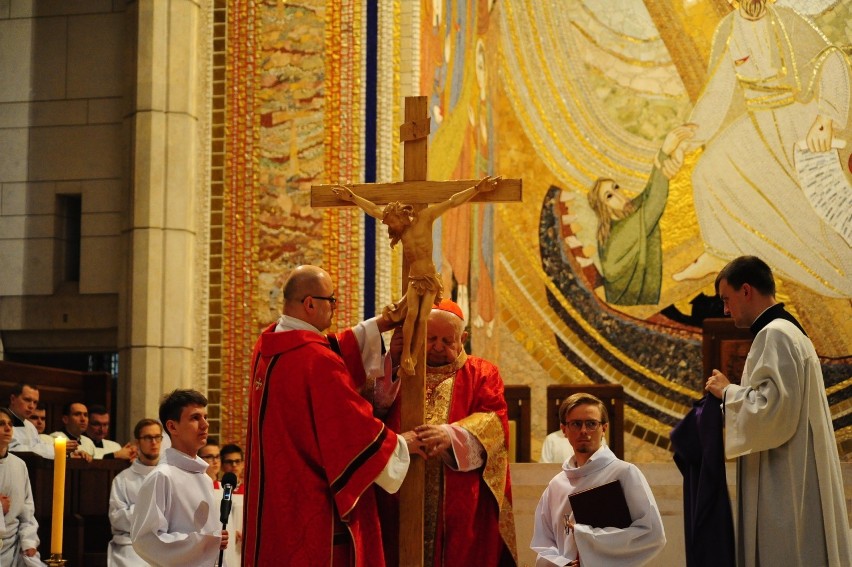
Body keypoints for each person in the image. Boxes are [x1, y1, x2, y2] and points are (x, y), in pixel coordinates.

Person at [242, 265, 422, 566]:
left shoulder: (267, 345)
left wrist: (384, 322)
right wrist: (399, 445)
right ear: (310, 304)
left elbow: (331, 348)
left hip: (275, 503)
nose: (335, 308)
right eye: (332, 300)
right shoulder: (316, 360)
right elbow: (349, 428)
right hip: (310, 504)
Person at [673, 0, 851, 297]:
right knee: (707, 172)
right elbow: (718, 92)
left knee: (815, 202)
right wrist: (691, 134)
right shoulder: (729, 29)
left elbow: (830, 59)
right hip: (758, 122)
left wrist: (827, 117)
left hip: (797, 116)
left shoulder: (785, 19)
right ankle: (718, 252)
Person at [704, 256, 851, 566]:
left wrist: (726, 392)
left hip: (784, 475)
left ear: (746, 290)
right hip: (794, 464)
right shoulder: (788, 332)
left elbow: (771, 409)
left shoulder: (775, 334)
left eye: (727, 300)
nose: (726, 310)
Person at [381, 299, 518, 566]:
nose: (438, 347)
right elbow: (372, 409)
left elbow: (494, 422)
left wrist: (452, 436)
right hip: (400, 493)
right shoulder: (404, 368)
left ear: (463, 337)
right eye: (431, 338)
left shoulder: (482, 373)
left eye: (447, 340)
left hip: (459, 498)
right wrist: (392, 364)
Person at [332, 176, 499, 375]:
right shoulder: (402, 231)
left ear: (400, 215)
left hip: (429, 279)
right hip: (414, 279)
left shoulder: (426, 217)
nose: (390, 226)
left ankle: (415, 355)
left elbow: (453, 201)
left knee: (422, 318)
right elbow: (374, 210)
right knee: (411, 315)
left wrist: (478, 188)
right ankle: (406, 357)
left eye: (392, 221)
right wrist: (351, 197)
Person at [531, 393, 665, 567]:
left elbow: (651, 535)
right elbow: (544, 543)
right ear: (564, 430)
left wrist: (584, 534)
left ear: (604, 428)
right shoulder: (556, 485)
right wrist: (561, 564)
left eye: (592, 423)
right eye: (576, 424)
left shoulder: (624, 473)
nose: (584, 431)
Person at [587, 125, 695, 305]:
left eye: (616, 188)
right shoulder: (616, 237)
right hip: (631, 306)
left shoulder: (625, 213)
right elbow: (653, 204)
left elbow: (647, 194)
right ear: (603, 209)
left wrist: (666, 159)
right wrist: (664, 152)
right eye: (609, 196)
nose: (619, 195)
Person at [131, 389, 228, 566]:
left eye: (205, 417)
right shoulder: (162, 476)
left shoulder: (204, 478)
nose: (205, 424)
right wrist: (207, 542)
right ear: (172, 427)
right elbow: (145, 540)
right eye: (195, 418)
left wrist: (215, 540)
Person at [108, 418, 163, 567]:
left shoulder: (171, 476)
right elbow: (116, 518)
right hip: (132, 544)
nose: (154, 442)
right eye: (148, 437)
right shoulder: (122, 479)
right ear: (137, 442)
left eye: (157, 437)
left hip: (166, 541)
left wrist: (140, 510)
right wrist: (152, 509)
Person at [0, 407, 43, 566]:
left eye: (10, 424)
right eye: (1, 423)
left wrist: (28, 542)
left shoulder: (19, 465)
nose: (7, 428)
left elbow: (27, 510)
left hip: (14, 546)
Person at [7, 383, 54, 460]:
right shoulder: (2, 421)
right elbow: (13, 450)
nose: (31, 406)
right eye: (27, 400)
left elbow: (39, 445)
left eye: (35, 402)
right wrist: (52, 449)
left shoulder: (30, 425)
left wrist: (64, 451)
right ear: (13, 399)